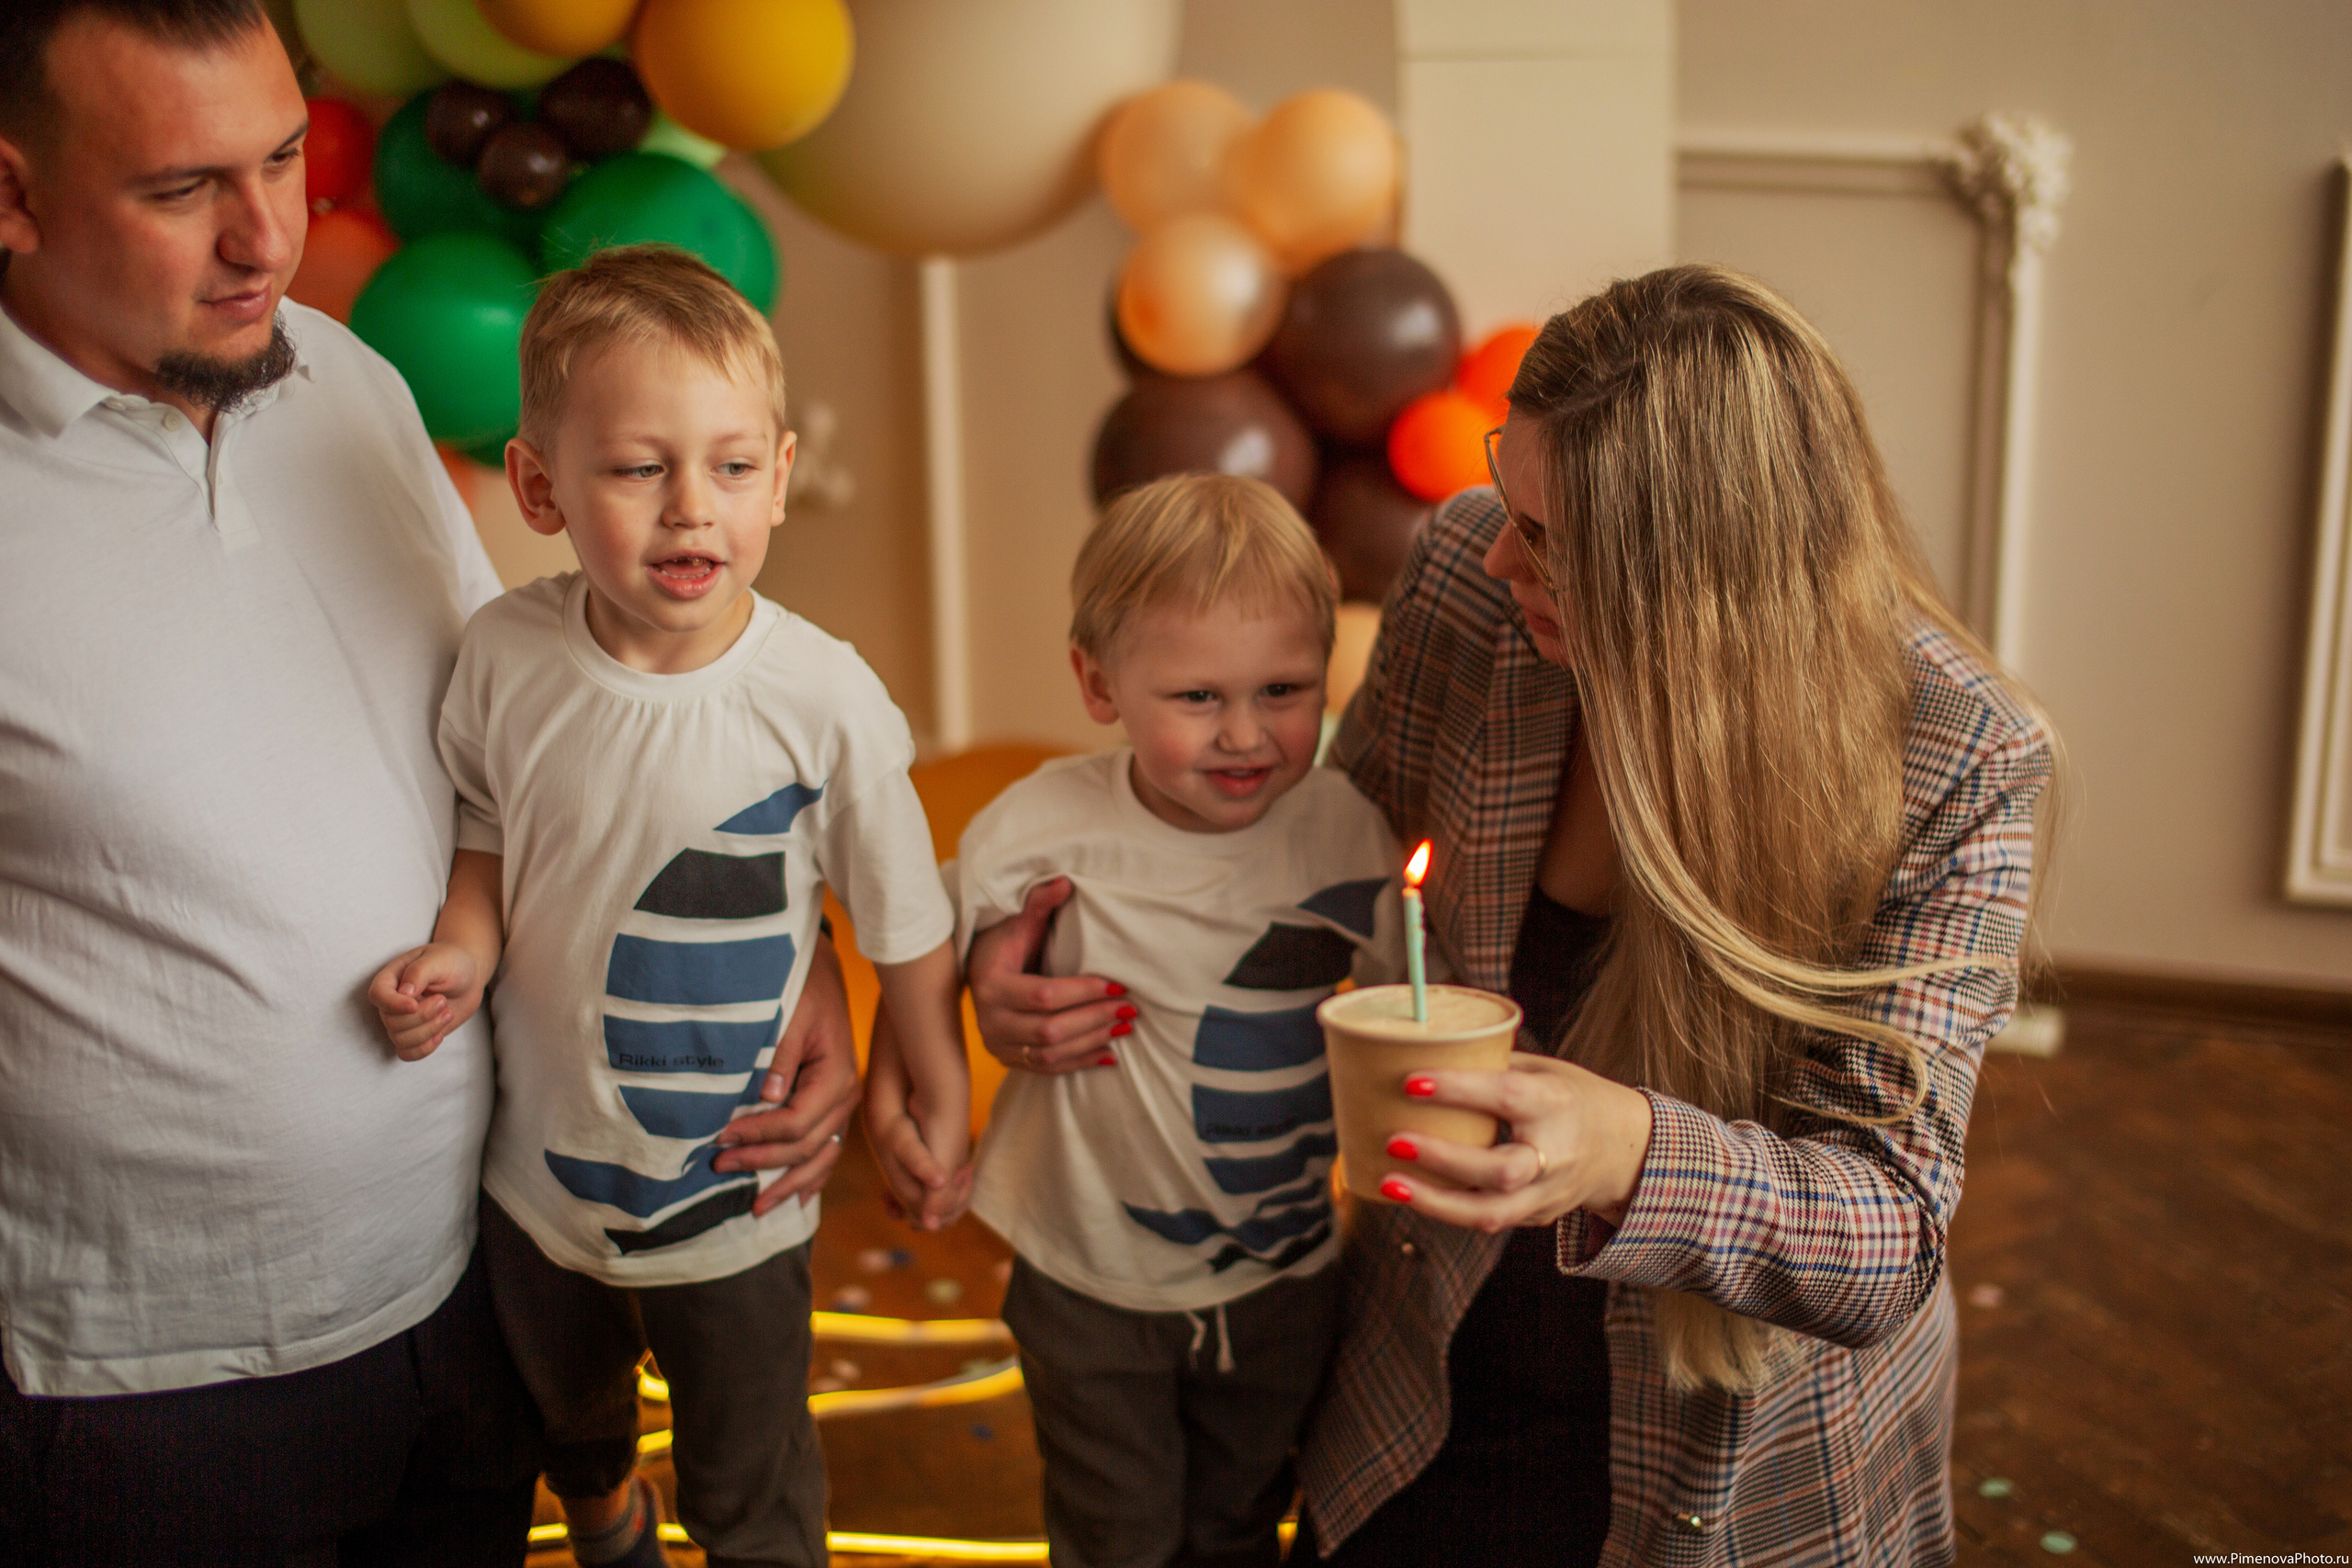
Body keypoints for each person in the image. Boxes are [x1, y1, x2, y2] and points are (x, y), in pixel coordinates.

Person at [968, 265, 2054, 1566]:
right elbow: (1290, 885)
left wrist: (1625, 1148)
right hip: (1419, 1381)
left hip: (1724, 1451)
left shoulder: (1961, 758)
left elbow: (1883, 1233)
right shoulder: (1472, 592)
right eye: (1508, 493)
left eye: (1546, 536)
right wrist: (1027, 978)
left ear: (1696, 579)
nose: (1493, 550)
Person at [0, 7, 860, 1563]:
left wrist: (794, 956)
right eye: (184, 188)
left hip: (470, 1281)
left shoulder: (341, 376)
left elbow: (543, 743)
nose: (267, 237)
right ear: (12, 194)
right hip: (150, 1389)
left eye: (279, 158)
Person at [368, 243, 968, 1568]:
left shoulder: (823, 695)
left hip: (739, 1193)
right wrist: (461, 952)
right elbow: (485, 832)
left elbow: (903, 917)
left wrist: (927, 1088)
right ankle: (602, 1513)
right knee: (571, 1418)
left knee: (750, 1482)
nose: (693, 507)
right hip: (540, 1181)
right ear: (541, 486)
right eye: (640, 468)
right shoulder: (506, 657)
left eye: (733, 466)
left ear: (783, 475)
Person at [869, 473, 1404, 1568]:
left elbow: (1423, 990)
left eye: (1284, 690)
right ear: (1097, 681)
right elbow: (918, 946)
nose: (1246, 736)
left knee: (1242, 1520)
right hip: (1089, 1274)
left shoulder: (1346, 830)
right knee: (1115, 1530)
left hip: (1287, 1274)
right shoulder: (1042, 823)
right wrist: (915, 1097)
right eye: (1197, 698)